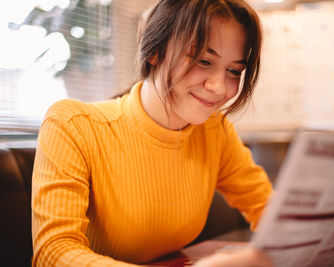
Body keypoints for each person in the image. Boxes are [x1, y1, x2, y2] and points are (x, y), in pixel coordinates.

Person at [31, 0, 274, 266]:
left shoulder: (214, 131)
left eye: (234, 71)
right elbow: (53, 253)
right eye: (204, 61)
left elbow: (268, 209)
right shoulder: (72, 125)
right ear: (154, 51)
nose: (218, 86)